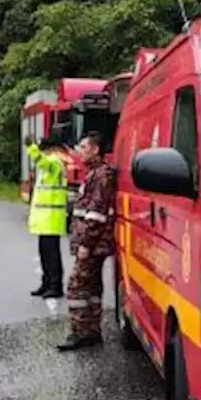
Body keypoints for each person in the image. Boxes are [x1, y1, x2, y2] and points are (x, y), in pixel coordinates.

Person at [59, 131, 116, 351]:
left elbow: (97, 214)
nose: (79, 151)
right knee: (92, 288)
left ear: (95, 149)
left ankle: (80, 332)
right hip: (94, 244)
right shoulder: (95, 174)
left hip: (92, 245)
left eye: (83, 147)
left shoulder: (100, 176)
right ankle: (92, 331)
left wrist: (86, 244)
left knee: (76, 287)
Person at [25, 133, 68, 299]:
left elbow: (42, 161)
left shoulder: (55, 161)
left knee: (51, 255)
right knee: (45, 253)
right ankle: (47, 283)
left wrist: (31, 148)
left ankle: (55, 285)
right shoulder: (52, 162)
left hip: (52, 217)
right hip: (45, 217)